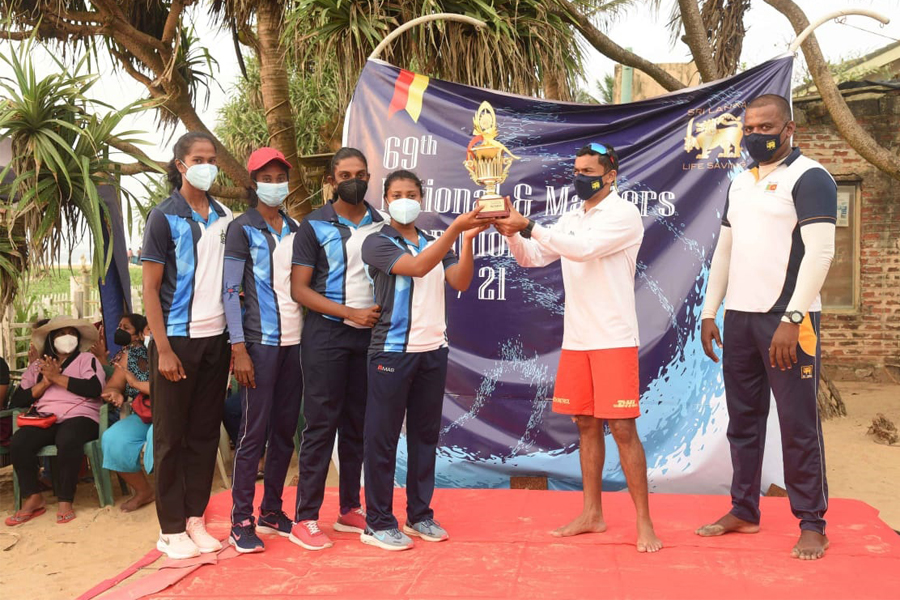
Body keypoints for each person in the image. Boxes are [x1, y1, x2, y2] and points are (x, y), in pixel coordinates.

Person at [495, 143, 663, 553]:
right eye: (577, 170)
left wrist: (528, 225)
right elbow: (535, 258)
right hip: (578, 339)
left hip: (614, 338)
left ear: (611, 175)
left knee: (622, 429)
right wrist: (512, 234)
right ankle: (593, 513)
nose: (580, 177)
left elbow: (584, 251)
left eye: (589, 170)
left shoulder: (623, 214)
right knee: (586, 425)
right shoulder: (571, 217)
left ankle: (645, 523)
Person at [695, 94, 836, 561]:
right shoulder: (740, 184)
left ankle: (812, 523)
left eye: (766, 126)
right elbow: (725, 251)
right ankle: (744, 509)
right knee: (744, 421)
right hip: (739, 319)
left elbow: (819, 254)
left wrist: (793, 319)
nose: (756, 134)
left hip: (789, 323)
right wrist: (710, 311)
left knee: (798, 425)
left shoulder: (810, 177)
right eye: (749, 127)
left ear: (789, 128)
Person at [359, 170, 487, 551]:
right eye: (397, 193)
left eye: (412, 193)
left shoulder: (434, 241)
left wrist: (466, 241)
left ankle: (419, 515)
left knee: (424, 436)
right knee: (381, 440)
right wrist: (455, 230)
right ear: (385, 200)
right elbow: (415, 268)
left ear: (422, 199)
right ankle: (378, 522)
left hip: (433, 350)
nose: (405, 199)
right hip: (392, 353)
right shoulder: (376, 242)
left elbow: (460, 281)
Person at [142, 131, 233, 559]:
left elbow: (231, 285)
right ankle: (170, 528)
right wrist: (162, 349)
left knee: (202, 434)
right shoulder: (164, 217)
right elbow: (150, 289)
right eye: (199, 158)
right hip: (175, 340)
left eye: (212, 158)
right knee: (170, 436)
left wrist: (233, 342)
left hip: (214, 340)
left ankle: (195, 518)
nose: (208, 165)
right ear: (180, 164)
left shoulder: (224, 216)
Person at [288, 148, 385, 550]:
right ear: (331, 179)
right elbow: (299, 289)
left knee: (358, 424)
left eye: (361, 173)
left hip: (369, 336)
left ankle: (349, 508)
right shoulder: (313, 226)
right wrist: (349, 313)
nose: (355, 180)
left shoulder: (382, 223)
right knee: (321, 424)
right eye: (346, 173)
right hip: (327, 334)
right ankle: (305, 517)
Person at [223, 147, 303, 553]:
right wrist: (238, 348)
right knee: (252, 432)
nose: (274, 186)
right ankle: (240, 520)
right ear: (253, 183)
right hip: (260, 343)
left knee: (285, 432)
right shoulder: (242, 228)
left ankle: (272, 510)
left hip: (296, 343)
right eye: (266, 179)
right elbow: (230, 290)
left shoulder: (294, 227)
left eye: (280, 178)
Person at [5, 316, 106, 526]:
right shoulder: (38, 366)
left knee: (68, 438)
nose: (66, 337)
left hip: (82, 416)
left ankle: (65, 500)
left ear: (78, 338)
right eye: (60, 333)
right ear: (51, 339)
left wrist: (58, 378)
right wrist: (44, 382)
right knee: (19, 442)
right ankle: (33, 496)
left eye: (70, 332)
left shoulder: (87, 360)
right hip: (46, 418)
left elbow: (94, 389)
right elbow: (18, 400)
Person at [100, 314, 155, 512]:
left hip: (174, 411)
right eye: (150, 330)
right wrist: (115, 394)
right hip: (143, 412)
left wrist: (135, 384)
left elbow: (170, 389)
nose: (154, 333)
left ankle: (173, 490)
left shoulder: (177, 352)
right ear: (142, 334)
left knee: (157, 436)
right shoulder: (128, 355)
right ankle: (143, 491)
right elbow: (113, 385)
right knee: (113, 438)